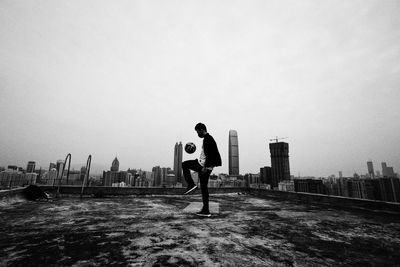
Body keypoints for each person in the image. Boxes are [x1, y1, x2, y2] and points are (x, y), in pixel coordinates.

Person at [182, 122, 222, 217]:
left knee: (184, 164)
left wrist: (205, 167)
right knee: (204, 188)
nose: (197, 134)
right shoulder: (207, 139)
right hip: (204, 165)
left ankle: (191, 184)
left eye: (197, 132)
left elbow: (212, 154)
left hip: (203, 166)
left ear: (201, 130)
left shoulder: (208, 139)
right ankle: (206, 210)